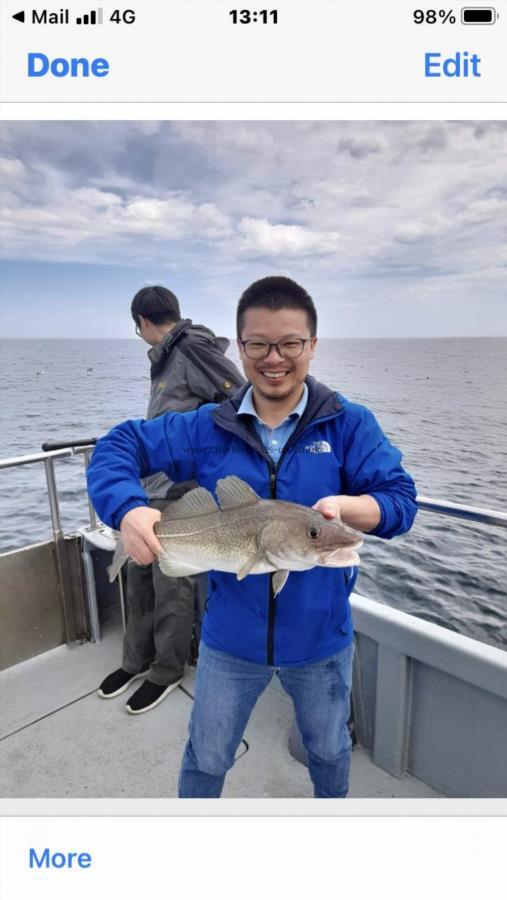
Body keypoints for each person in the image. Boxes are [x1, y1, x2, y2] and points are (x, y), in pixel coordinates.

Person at [88, 275, 417, 794]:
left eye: (290, 343)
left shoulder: (350, 426)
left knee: (329, 752)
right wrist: (128, 511)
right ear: (240, 347)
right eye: (259, 344)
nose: (274, 358)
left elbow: (401, 501)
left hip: (321, 641)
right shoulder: (206, 427)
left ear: (312, 344)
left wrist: (357, 508)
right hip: (229, 639)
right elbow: (119, 445)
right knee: (206, 757)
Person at [97, 285, 244, 714]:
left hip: (180, 493)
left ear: (142, 321)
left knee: (172, 585)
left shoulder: (191, 349)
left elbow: (238, 403)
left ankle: (166, 670)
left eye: (136, 326)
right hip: (150, 491)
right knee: (139, 575)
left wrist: (204, 467)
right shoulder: (168, 355)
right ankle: (135, 661)